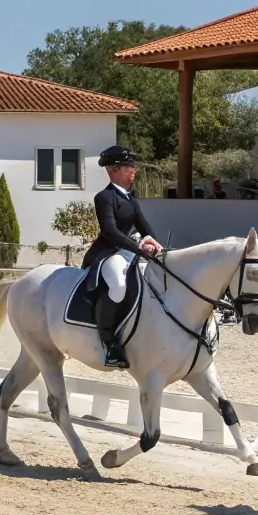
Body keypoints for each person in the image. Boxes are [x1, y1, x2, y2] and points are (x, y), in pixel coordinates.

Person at [81, 146, 162, 369]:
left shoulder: (130, 198)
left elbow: (143, 226)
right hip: (109, 253)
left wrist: (154, 243)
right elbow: (110, 231)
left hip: (129, 252)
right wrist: (139, 248)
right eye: (129, 166)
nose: (133, 170)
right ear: (114, 170)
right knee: (117, 287)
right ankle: (110, 343)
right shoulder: (104, 197)